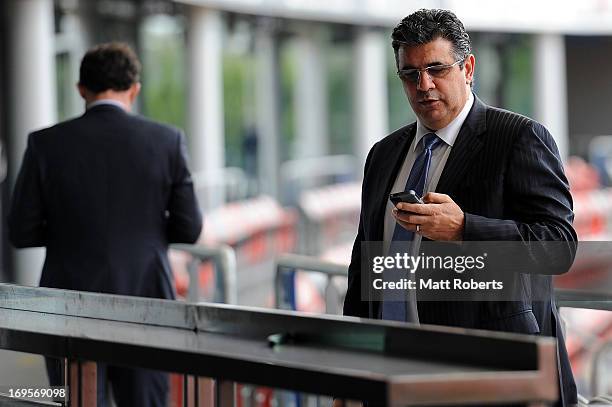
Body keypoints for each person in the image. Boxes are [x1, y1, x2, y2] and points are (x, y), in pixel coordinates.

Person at [343, 9, 577, 406]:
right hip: (394, 374)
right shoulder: (383, 155)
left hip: (490, 372)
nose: (424, 84)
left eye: (437, 68)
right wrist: (350, 374)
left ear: (468, 68)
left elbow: (559, 246)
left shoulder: (518, 137)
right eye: (410, 74)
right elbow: (363, 268)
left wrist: (466, 228)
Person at [8, 42, 202, 407]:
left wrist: (72, 232)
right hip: (147, 303)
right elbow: (189, 228)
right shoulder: (167, 141)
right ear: (135, 89)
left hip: (67, 304)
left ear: (81, 89)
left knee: (75, 399)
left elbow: (21, 232)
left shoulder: (45, 144)